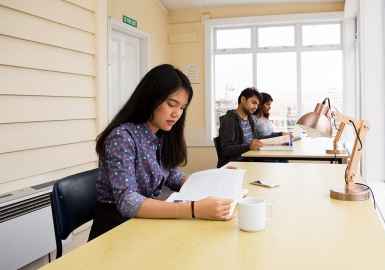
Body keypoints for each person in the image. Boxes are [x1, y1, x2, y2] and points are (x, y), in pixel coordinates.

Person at [89, 64, 232, 241]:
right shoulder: (122, 137)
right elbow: (128, 201)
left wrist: (210, 186)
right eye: (171, 104)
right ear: (150, 99)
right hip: (115, 231)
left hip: (142, 225)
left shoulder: (161, 134)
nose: (177, 113)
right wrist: (194, 209)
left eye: (182, 108)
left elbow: (173, 176)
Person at [218, 87, 272, 167]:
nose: (256, 107)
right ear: (243, 100)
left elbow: (256, 139)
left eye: (257, 104)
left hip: (249, 160)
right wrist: (249, 146)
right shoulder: (229, 120)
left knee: (277, 163)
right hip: (236, 164)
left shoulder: (250, 119)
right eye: (253, 103)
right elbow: (226, 150)